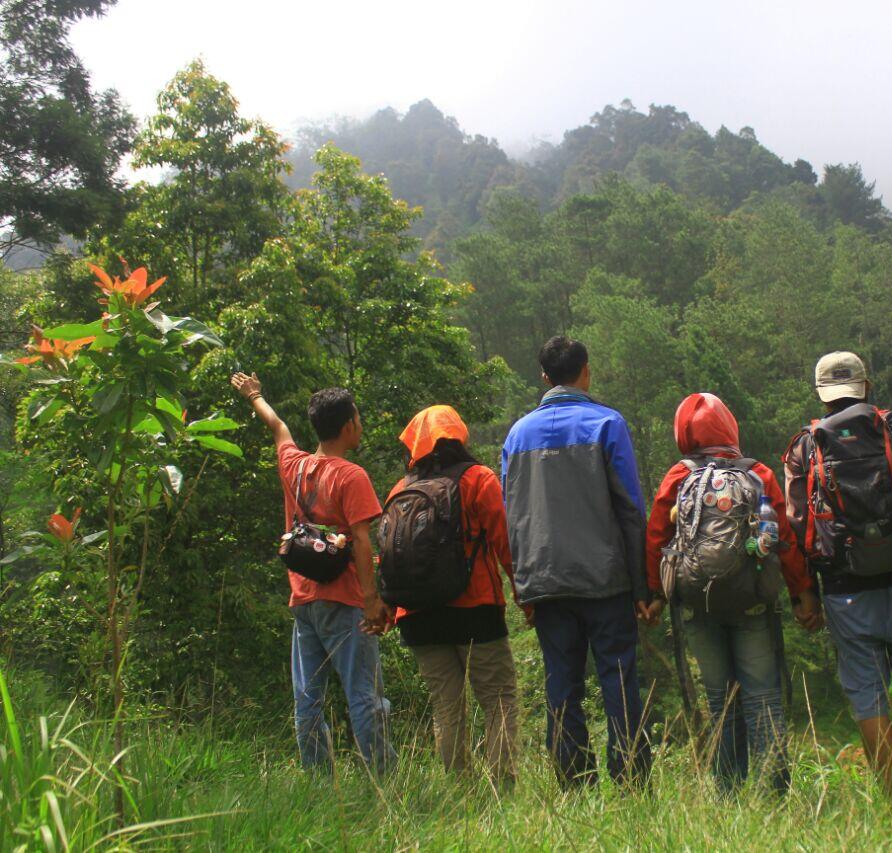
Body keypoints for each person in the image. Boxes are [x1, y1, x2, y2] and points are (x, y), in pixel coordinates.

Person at [783, 352, 892, 801]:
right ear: (867, 385)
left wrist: (805, 596)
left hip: (845, 593)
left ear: (821, 394)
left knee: (868, 699)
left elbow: (797, 528)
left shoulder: (804, 447)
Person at [644, 392, 821, 794]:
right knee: (762, 695)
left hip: (698, 604)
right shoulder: (757, 473)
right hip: (753, 600)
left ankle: (728, 792)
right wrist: (801, 594)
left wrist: (654, 592)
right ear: (730, 427)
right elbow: (785, 540)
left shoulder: (678, 475)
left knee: (718, 697)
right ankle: (774, 791)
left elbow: (656, 536)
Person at [501, 336, 651, 788]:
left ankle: (573, 783)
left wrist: (523, 587)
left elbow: (512, 516)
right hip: (605, 580)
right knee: (619, 679)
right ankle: (631, 781)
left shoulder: (517, 434)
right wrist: (643, 588)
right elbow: (630, 509)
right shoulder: (607, 424)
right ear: (586, 370)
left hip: (546, 582)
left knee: (561, 685)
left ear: (545, 378)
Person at [230, 372, 395, 774]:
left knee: (308, 697)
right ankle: (383, 778)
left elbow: (278, 426)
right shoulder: (350, 476)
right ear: (348, 425)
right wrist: (372, 601)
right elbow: (361, 540)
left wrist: (255, 395)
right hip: (344, 600)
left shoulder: (295, 465)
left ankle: (318, 776)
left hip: (304, 600)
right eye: (357, 416)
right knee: (363, 696)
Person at [387, 405, 522, 788]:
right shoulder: (478, 478)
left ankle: (461, 791)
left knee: (446, 709)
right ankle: (503, 790)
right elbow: (504, 543)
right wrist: (524, 596)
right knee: (498, 700)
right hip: (475, 608)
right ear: (459, 436)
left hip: (416, 615)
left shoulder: (400, 490)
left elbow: (392, 556)